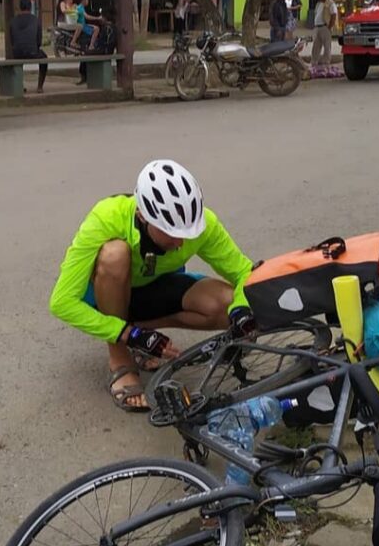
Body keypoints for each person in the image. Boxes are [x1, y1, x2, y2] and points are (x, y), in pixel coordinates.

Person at [49, 160, 257, 411]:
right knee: (114, 255)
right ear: (142, 215)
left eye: (188, 231)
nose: (181, 241)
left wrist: (241, 310)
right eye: (171, 232)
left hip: (154, 291)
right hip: (105, 296)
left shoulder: (204, 224)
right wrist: (129, 335)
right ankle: (120, 358)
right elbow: (61, 302)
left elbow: (246, 272)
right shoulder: (107, 216)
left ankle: (139, 332)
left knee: (226, 304)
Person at [9, 0, 48, 94]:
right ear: (30, 7)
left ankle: (19, 86)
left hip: (17, 52)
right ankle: (39, 87)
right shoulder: (35, 20)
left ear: (20, 7)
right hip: (33, 51)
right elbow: (39, 40)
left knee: (16, 60)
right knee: (44, 58)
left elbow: (12, 40)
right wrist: (35, 48)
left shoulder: (13, 21)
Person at [311, 0, 340, 78]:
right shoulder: (319, 4)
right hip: (317, 27)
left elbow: (334, 15)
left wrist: (329, 27)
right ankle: (314, 63)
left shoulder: (330, 3)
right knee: (316, 46)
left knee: (327, 47)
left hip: (325, 27)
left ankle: (326, 63)